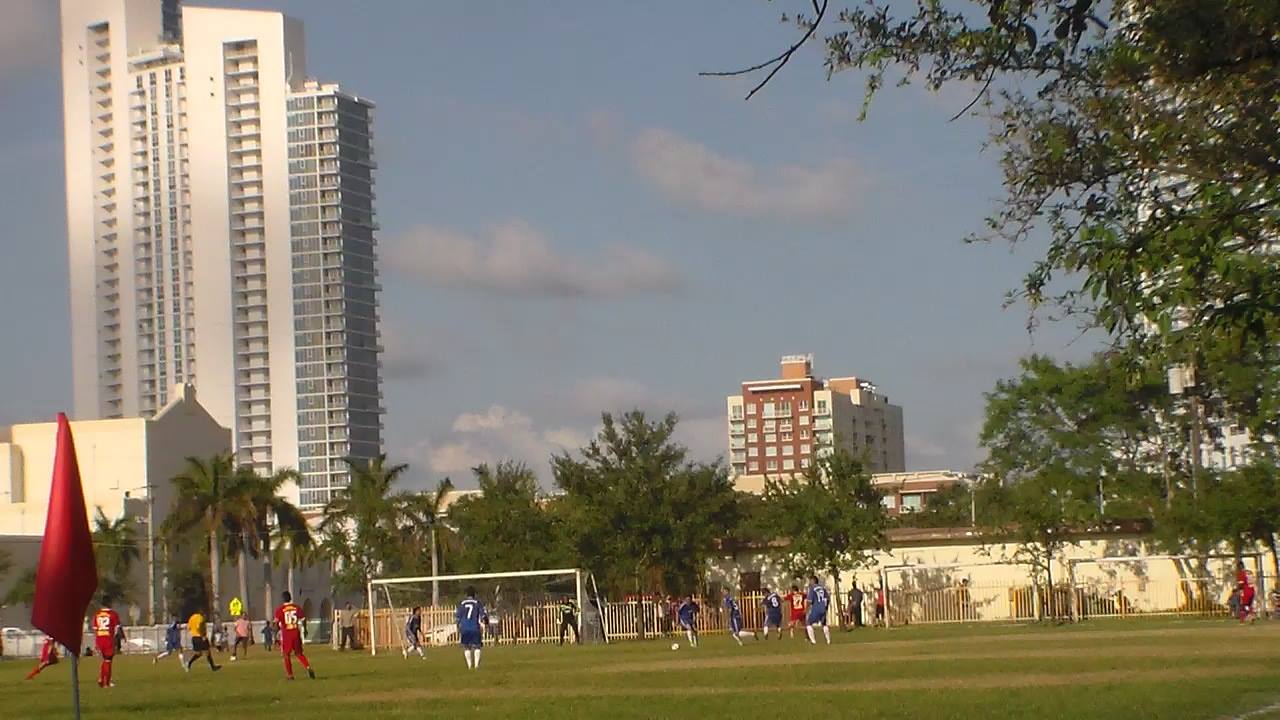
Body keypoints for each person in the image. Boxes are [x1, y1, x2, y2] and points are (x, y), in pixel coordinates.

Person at [275, 591, 315, 679]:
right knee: (299, 653)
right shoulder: (296, 607)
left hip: (287, 634)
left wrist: (275, 634)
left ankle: (290, 675)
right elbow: (303, 619)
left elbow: (276, 623)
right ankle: (308, 667)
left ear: (282, 599)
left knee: (286, 654)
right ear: (290, 598)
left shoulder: (280, 609)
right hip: (296, 632)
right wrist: (305, 629)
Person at [92, 597, 122, 688]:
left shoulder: (97, 614)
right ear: (110, 603)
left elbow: (95, 629)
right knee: (108, 661)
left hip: (99, 639)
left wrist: (96, 641)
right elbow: (117, 629)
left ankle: (101, 679)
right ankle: (106, 683)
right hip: (109, 639)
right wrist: (117, 641)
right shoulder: (113, 614)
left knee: (105, 660)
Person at [456, 586, 485, 670]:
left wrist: (458, 626)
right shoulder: (477, 603)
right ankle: (476, 665)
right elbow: (483, 616)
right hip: (474, 627)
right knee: (477, 646)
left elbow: (458, 617)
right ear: (474, 594)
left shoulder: (462, 604)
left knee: (466, 647)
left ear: (466, 594)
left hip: (465, 628)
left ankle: (469, 666)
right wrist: (485, 623)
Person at [185, 607, 221, 672]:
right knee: (207, 652)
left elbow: (189, 628)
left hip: (194, 637)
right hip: (200, 637)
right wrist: (203, 636)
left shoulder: (192, 617)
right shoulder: (201, 618)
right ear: (202, 613)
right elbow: (200, 627)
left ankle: (189, 663)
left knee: (198, 653)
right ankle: (213, 667)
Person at [806, 576, 832, 645]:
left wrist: (806, 609)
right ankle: (828, 641)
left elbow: (809, 601)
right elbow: (828, 599)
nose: (810, 583)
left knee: (808, 623)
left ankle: (813, 641)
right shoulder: (823, 588)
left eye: (810, 581)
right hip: (823, 608)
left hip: (816, 609)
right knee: (824, 624)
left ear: (813, 581)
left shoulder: (812, 589)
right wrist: (826, 607)